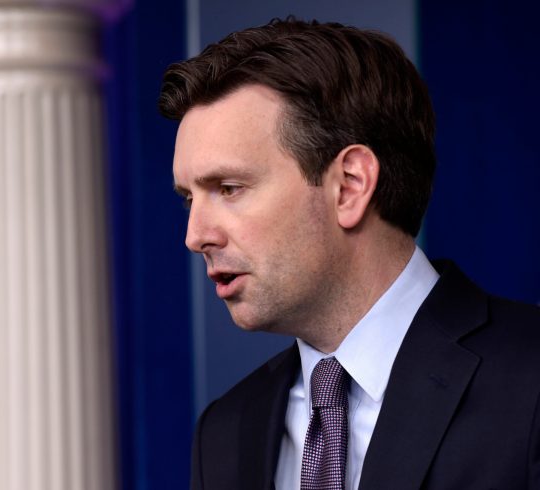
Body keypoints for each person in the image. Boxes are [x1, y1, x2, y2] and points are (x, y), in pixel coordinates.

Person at [159, 17, 540, 490]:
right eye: (189, 198)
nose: (195, 236)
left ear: (350, 186)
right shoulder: (224, 431)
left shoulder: (530, 381)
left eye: (229, 188)